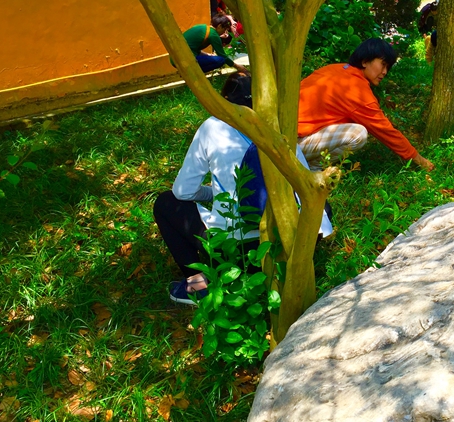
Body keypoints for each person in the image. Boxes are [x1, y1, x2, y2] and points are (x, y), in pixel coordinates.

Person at [154, 72, 332, 305]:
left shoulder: (213, 126)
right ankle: (289, 267)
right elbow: (304, 184)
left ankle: (199, 285)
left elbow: (182, 191)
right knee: (322, 203)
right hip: (289, 242)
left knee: (166, 203)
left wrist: (214, 193)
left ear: (223, 101)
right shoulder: (279, 125)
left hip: (236, 250)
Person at [297, 38, 435, 171]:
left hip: (287, 133)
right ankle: (310, 169)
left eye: (387, 67)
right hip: (294, 145)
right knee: (357, 134)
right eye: (383, 64)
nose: (385, 72)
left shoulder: (336, 69)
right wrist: (420, 161)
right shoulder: (356, 89)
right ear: (364, 61)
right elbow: (386, 131)